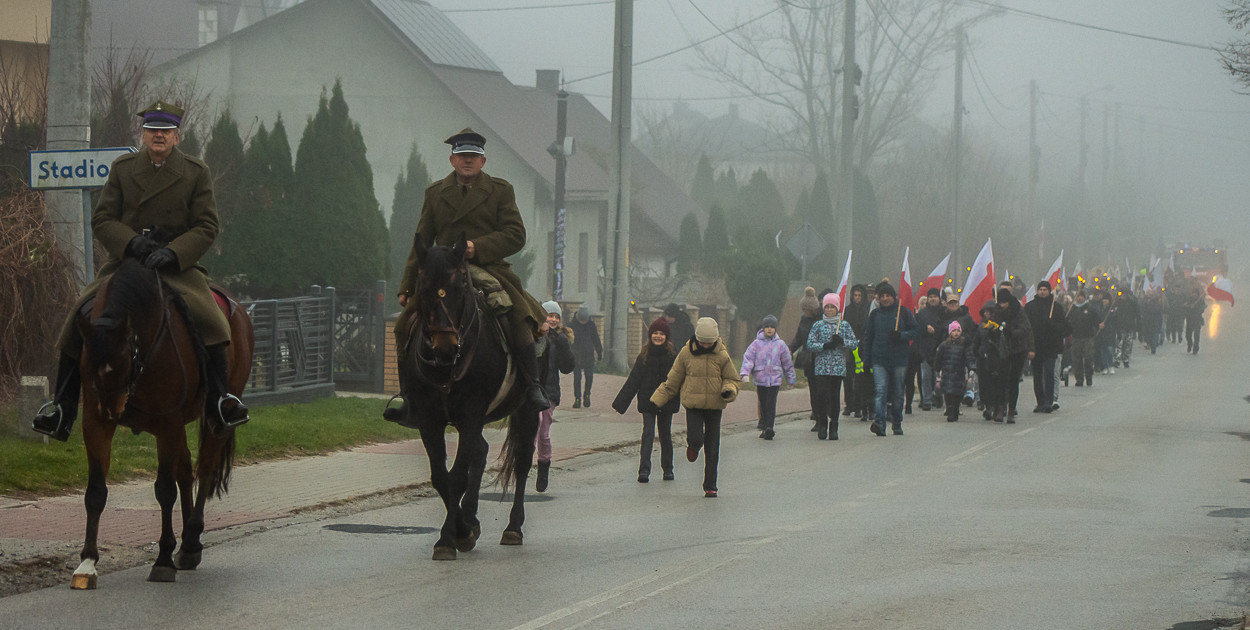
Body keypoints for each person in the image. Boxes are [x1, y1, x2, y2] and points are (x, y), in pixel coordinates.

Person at [33, 101, 248, 441]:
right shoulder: (123, 169)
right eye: (152, 130)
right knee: (79, 314)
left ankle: (219, 401)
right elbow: (103, 218)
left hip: (176, 266)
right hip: (127, 262)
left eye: (164, 131)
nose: (157, 136)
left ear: (177, 137)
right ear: (143, 135)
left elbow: (207, 225)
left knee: (213, 319)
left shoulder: (196, 172)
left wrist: (173, 252)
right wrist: (130, 243)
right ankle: (61, 408)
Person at [393, 129, 552, 422]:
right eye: (463, 156)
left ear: (483, 161)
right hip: (442, 268)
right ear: (453, 160)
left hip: (488, 266)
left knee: (518, 315)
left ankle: (532, 386)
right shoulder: (435, 193)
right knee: (404, 324)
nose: (468, 161)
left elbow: (516, 235)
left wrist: (476, 247)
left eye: (474, 157)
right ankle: (406, 396)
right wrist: (407, 284)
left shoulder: (501, 191)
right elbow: (422, 241)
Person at [651, 317, 739, 498]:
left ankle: (710, 485)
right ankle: (693, 446)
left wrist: (728, 390)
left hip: (715, 405)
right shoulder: (685, 353)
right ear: (697, 339)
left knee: (713, 446)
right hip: (693, 405)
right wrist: (657, 400)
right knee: (696, 437)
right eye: (702, 342)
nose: (706, 345)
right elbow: (673, 380)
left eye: (709, 343)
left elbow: (732, 379)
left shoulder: (722, 355)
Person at [612, 318, 680, 483]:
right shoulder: (644, 356)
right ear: (650, 336)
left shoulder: (673, 356)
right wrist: (620, 403)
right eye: (655, 333)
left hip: (666, 402)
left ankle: (668, 469)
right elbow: (633, 380)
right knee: (648, 434)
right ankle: (644, 470)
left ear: (666, 337)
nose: (658, 336)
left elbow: (679, 379)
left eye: (661, 334)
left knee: (665, 435)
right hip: (648, 401)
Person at [862, 282, 921, 436]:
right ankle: (880, 422)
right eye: (882, 296)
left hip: (899, 359)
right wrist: (866, 360)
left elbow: (915, 330)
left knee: (898, 391)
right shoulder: (875, 315)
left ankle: (897, 421)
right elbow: (868, 337)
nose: (885, 298)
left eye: (888, 295)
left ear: (893, 297)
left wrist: (901, 336)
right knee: (881, 390)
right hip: (879, 359)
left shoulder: (904, 313)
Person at [533, 301, 574, 492]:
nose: (553, 319)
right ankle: (524, 462)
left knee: (543, 431)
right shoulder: (533, 336)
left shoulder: (559, 340)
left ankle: (543, 467)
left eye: (557, 317)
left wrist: (565, 345)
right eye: (550, 315)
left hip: (549, 391)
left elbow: (567, 368)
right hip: (532, 388)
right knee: (533, 425)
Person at [805, 294, 858, 440]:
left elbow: (854, 343)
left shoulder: (844, 325)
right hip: (821, 367)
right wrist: (824, 345)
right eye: (827, 307)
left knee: (834, 397)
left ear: (837, 309)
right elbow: (810, 344)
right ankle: (822, 423)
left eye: (832, 307)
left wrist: (842, 342)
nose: (829, 310)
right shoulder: (818, 325)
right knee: (821, 395)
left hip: (838, 367)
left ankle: (834, 425)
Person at [740, 315, 796, 440]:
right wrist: (745, 373)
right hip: (761, 379)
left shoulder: (780, 345)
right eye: (767, 327)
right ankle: (764, 426)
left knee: (771, 403)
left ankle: (770, 427)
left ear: (775, 329)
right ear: (763, 328)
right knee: (763, 403)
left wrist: (790, 378)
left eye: (772, 327)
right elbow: (748, 359)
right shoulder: (756, 344)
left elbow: (787, 362)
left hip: (775, 379)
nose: (769, 329)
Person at [1023, 281, 1069, 414]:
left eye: (1045, 289)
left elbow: (1065, 328)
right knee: (1037, 376)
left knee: (1049, 374)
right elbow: (1026, 327)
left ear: (1049, 291)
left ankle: (1049, 401)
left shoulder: (1056, 307)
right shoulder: (1030, 307)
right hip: (1035, 347)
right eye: (1040, 289)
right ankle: (1040, 402)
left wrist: (1053, 326)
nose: (1042, 292)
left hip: (1051, 347)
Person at [995, 288, 1034, 421]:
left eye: (1004, 303)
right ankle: (1000, 408)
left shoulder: (1018, 311)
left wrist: (1011, 332)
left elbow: (1025, 329)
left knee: (1013, 380)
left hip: (1018, 349)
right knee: (1001, 380)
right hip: (1001, 350)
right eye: (1000, 303)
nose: (1002, 305)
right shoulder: (997, 312)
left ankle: (1011, 410)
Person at [788, 287, 821, 431]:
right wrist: (790, 349)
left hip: (820, 359)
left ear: (812, 309)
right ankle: (817, 416)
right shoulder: (804, 320)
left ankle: (823, 417)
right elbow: (799, 337)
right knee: (813, 390)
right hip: (809, 360)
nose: (805, 312)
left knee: (821, 390)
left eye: (806, 309)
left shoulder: (820, 321)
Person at [973, 300, 1008, 422]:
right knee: (985, 385)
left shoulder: (1001, 327)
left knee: (998, 385)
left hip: (998, 359)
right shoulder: (981, 327)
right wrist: (979, 354)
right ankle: (988, 407)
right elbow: (975, 344)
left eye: (990, 312)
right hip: (984, 360)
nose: (987, 314)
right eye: (985, 312)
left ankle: (999, 408)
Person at [935, 321, 975, 422]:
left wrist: (972, 368)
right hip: (947, 373)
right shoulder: (944, 345)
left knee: (958, 393)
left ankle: (956, 409)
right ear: (950, 332)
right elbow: (938, 358)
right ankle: (950, 410)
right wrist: (936, 369)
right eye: (954, 331)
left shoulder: (964, 345)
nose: (956, 333)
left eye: (958, 330)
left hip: (959, 373)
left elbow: (969, 357)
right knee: (948, 393)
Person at [843, 284, 872, 420]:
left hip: (863, 346)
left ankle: (860, 405)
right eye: (855, 295)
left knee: (861, 378)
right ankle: (849, 404)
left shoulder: (868, 310)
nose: (857, 298)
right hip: (850, 346)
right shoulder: (847, 310)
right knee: (848, 377)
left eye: (859, 295)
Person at [914, 288, 945, 411]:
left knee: (938, 377)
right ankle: (927, 400)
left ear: (939, 298)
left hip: (940, 348)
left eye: (935, 296)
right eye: (930, 296)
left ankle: (938, 396)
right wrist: (925, 328)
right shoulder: (922, 314)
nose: (933, 299)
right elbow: (917, 329)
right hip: (926, 348)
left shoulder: (944, 312)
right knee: (926, 376)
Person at [568, 306, 602, 408]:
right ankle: (577, 398)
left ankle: (587, 395)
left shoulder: (591, 325)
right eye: (581, 321)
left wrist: (599, 352)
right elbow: (567, 341)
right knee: (577, 378)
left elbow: (596, 339)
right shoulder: (571, 325)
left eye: (584, 321)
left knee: (589, 376)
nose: (583, 322)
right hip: (576, 356)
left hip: (588, 355)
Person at [1066, 291, 1101, 387]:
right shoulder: (1072, 309)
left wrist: (1094, 332)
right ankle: (1079, 379)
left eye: (1081, 296)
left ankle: (1089, 377)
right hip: (1076, 338)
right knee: (1077, 360)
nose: (1079, 298)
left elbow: (1097, 322)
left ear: (1084, 298)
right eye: (1078, 296)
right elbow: (1068, 322)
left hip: (1088, 337)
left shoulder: (1090, 309)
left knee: (1089, 358)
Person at [1185, 288, 1207, 354]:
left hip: (1197, 320)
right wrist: (1188, 306)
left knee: (1196, 335)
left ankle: (1195, 348)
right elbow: (1185, 307)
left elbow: (1202, 309)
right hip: (1189, 320)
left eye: (1195, 294)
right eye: (1193, 293)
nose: (1194, 295)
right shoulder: (1189, 299)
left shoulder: (1200, 301)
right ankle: (1189, 344)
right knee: (1188, 335)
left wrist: (1195, 307)